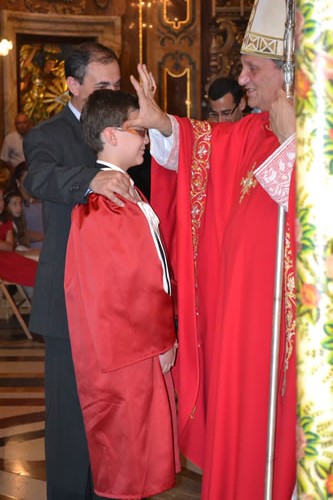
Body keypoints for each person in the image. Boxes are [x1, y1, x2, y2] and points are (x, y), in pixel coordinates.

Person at [127, 0, 297, 497]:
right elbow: (204, 147)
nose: (241, 80)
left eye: (252, 68)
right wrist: (161, 122)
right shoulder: (253, 129)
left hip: (287, 334)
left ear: (289, 73)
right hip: (243, 325)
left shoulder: (310, 131)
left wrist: (293, 143)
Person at [23, 42, 136, 500]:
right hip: (69, 300)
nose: (112, 93)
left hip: (117, 300)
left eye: (116, 84)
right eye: (101, 85)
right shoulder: (48, 135)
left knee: (113, 417)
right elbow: (40, 177)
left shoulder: (126, 128)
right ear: (73, 85)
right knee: (70, 421)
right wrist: (90, 179)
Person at [65, 88, 180, 499]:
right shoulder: (105, 204)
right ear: (111, 135)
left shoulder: (123, 192)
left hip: (135, 351)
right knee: (128, 466)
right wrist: (163, 339)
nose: (147, 138)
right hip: (127, 355)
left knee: (140, 463)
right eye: (139, 130)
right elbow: (129, 287)